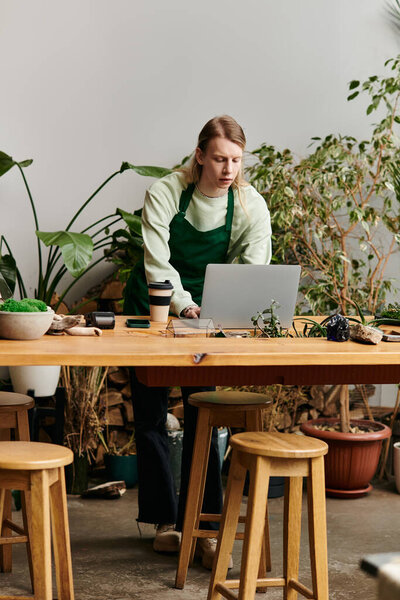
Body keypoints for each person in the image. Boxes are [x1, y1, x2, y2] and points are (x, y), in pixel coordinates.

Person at [123, 115, 272, 568]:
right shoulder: (168, 191)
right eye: (221, 159)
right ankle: (165, 523)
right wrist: (184, 305)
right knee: (149, 416)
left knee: (202, 415)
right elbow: (157, 258)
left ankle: (204, 527)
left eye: (236, 160)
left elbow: (253, 267)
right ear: (200, 156)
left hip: (206, 318)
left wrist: (219, 311)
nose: (229, 169)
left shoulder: (248, 203)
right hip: (151, 308)